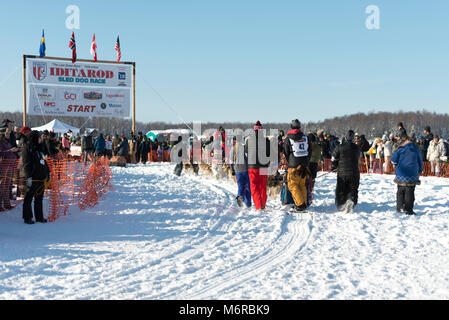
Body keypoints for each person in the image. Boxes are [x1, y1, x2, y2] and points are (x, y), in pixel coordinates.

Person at [21, 130, 50, 224]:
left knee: (39, 197)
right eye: (39, 137)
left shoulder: (40, 147)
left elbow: (45, 160)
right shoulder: (27, 147)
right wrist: (28, 176)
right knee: (29, 197)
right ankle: (27, 217)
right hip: (32, 177)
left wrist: (47, 173)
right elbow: (26, 164)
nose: (41, 139)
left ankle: (39, 217)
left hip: (41, 176)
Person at [282, 120, 311, 212]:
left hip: (293, 165)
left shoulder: (288, 138)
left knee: (293, 185)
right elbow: (309, 151)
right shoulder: (305, 137)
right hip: (304, 165)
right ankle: (304, 203)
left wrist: (290, 161)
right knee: (302, 184)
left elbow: (286, 152)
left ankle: (300, 204)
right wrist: (306, 161)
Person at [391, 132, 423, 215]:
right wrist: (419, 170)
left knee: (400, 191)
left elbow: (393, 160)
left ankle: (400, 207)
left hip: (401, 172)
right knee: (410, 191)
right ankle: (408, 209)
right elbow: (420, 161)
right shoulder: (416, 149)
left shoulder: (400, 148)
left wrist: (395, 164)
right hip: (413, 174)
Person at [331, 130, 360, 212]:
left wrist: (335, 165)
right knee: (353, 189)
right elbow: (357, 157)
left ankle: (341, 204)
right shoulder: (356, 147)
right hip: (354, 172)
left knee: (341, 189)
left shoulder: (339, 147)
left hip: (342, 173)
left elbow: (333, 158)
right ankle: (351, 200)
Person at [245, 121, 271, 211]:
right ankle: (262, 204)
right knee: (263, 186)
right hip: (263, 166)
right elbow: (269, 154)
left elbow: (246, 152)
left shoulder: (249, 140)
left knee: (254, 186)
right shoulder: (266, 140)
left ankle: (258, 205)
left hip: (252, 167)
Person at [0, 126, 20, 211]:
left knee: (7, 185)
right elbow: (1, 153)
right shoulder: (1, 142)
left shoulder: (8, 142)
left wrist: (17, 150)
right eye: (7, 133)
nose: (9, 134)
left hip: (10, 165)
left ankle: (7, 203)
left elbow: (10, 152)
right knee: (2, 185)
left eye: (9, 133)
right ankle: (1, 204)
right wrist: (10, 151)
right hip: (4, 165)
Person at [233, 133, 251, 208]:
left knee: (240, 186)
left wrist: (232, 170)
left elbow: (231, 161)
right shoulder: (244, 148)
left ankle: (240, 196)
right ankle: (248, 203)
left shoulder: (233, 149)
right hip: (245, 169)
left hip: (237, 170)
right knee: (247, 187)